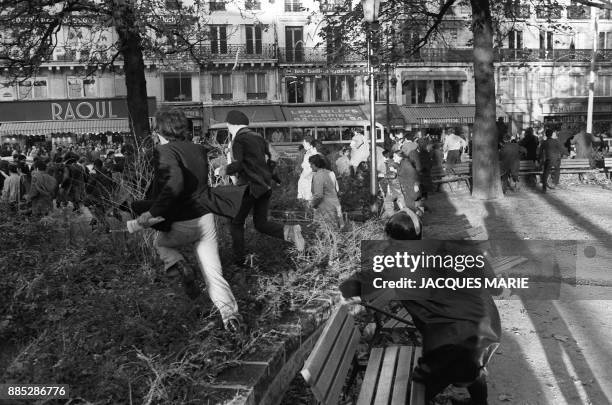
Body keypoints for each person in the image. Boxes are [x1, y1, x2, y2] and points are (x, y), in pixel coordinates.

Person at [339, 209, 501, 405]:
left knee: (417, 391)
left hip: (460, 340)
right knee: (468, 367)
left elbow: (356, 284)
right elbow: (495, 286)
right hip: (490, 326)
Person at [134, 109, 242, 333]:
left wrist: (152, 212)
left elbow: (174, 182)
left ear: (160, 131)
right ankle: (232, 319)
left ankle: (179, 264)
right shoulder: (198, 149)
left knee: (161, 244)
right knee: (214, 274)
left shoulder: (164, 150)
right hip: (205, 217)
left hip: (181, 220)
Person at [224, 110, 305, 266]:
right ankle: (291, 231)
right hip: (264, 187)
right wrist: (268, 171)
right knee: (261, 224)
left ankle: (239, 262)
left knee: (235, 221)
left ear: (231, 125)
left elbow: (238, 164)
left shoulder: (238, 140)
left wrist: (223, 170)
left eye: (228, 126)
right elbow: (275, 155)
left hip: (249, 187)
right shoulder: (258, 137)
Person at [309, 154, 344, 228]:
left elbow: (319, 195)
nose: (310, 166)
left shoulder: (318, 176)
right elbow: (337, 190)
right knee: (337, 231)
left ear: (315, 164)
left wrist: (312, 204)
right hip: (335, 205)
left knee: (326, 232)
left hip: (326, 208)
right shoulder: (331, 173)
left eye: (311, 164)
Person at [539, 128, 567, 192]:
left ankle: (544, 187)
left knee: (546, 172)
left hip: (548, 159)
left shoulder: (544, 142)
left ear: (546, 135)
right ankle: (555, 183)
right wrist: (567, 154)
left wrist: (539, 159)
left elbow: (540, 152)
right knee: (557, 170)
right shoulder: (556, 141)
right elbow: (562, 149)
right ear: (552, 134)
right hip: (556, 159)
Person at [297, 136, 319, 201]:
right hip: (306, 174)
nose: (303, 144)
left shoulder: (313, 152)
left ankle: (309, 207)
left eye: (304, 143)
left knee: (308, 194)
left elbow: (315, 166)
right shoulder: (308, 152)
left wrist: (308, 174)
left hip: (309, 175)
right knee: (305, 192)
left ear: (309, 143)